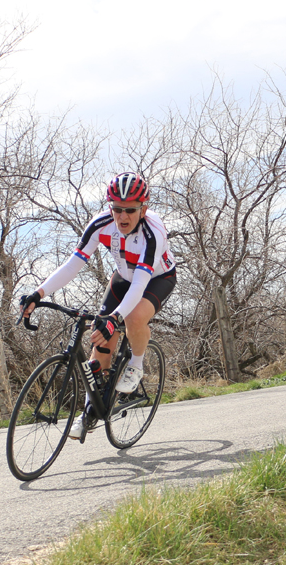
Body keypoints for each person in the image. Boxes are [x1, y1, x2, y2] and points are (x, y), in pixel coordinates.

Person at [20, 171, 177, 440]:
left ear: (144, 209)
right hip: (122, 278)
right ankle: (91, 411)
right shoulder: (101, 225)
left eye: (130, 210)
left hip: (156, 278)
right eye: (117, 209)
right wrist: (39, 292)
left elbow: (140, 284)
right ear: (109, 208)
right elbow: (73, 265)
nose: (123, 217)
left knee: (133, 318)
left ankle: (135, 365)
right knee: (100, 342)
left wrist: (115, 317)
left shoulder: (153, 233)